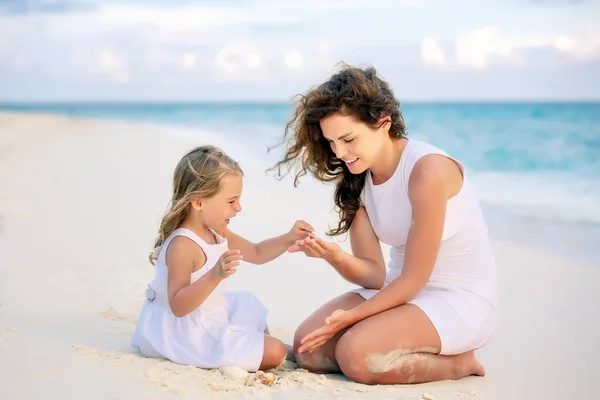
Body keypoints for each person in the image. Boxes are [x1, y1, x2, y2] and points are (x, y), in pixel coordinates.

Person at [268, 63, 498, 385]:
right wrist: (332, 255)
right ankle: (383, 340)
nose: (340, 152)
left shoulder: (427, 172)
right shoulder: (359, 180)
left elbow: (415, 277)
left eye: (348, 139)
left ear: (383, 123)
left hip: (457, 300)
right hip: (399, 290)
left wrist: (353, 318)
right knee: (309, 350)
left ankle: (458, 363)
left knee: (356, 356)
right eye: (332, 142)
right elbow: (375, 274)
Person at [131, 145, 313, 372]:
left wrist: (289, 238)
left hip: (206, 314)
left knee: (247, 302)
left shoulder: (216, 231)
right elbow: (178, 305)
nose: (239, 208)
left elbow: (256, 253)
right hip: (183, 330)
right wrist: (215, 275)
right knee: (275, 352)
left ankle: (260, 347)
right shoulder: (183, 245)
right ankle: (266, 350)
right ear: (198, 202)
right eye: (231, 201)